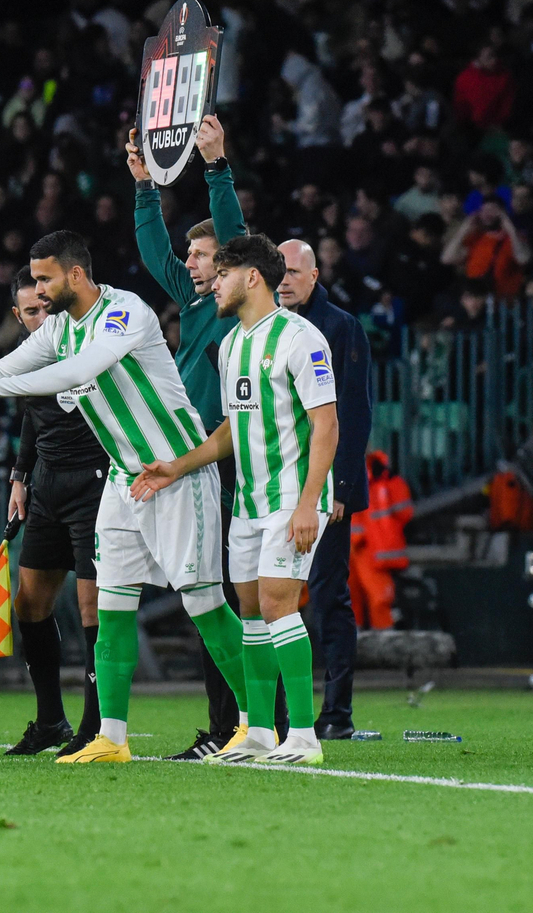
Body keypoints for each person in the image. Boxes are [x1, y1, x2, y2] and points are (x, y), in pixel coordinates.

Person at [0, 230, 251, 764]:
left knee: (203, 602)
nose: (37, 292)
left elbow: (77, 371)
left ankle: (254, 725)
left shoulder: (124, 312)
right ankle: (111, 736)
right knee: (110, 607)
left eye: (45, 279)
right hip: (123, 480)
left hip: (178, 473)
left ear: (76, 275)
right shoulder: (59, 328)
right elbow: (12, 365)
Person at [132, 235, 340, 765]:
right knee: (248, 609)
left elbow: (326, 424)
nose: (213, 282)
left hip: (292, 495)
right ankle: (261, 733)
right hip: (247, 500)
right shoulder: (229, 345)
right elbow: (232, 428)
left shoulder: (302, 338)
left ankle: (305, 737)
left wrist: (307, 503)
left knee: (275, 601)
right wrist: (176, 467)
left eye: (222, 272)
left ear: (252, 277)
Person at [127, 114, 252, 760]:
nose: (191, 264)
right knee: (213, 594)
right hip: (190, 460)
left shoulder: (235, 306)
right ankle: (240, 724)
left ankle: (243, 724)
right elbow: (155, 257)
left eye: (201, 256)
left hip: (224, 458)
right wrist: (145, 187)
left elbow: (233, 233)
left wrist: (216, 165)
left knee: (223, 596)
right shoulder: (197, 304)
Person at [0, 267, 106, 757]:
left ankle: (95, 726)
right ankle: (50, 721)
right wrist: (20, 477)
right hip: (47, 489)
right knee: (29, 604)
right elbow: (32, 417)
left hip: (95, 484)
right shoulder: (30, 359)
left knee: (94, 610)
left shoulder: (86, 342)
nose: (40, 318)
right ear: (17, 316)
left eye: (45, 307)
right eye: (31, 312)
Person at [276, 239, 373, 739]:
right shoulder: (265, 327)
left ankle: (336, 714)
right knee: (272, 596)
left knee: (328, 596)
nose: (285, 280)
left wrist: (342, 486)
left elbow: (353, 414)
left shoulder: (340, 327)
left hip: (322, 489)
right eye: (280, 271)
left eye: (295, 271)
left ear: (314, 276)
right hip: (275, 488)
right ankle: (273, 717)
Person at [348, 450, 413, 629]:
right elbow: (404, 513)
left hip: (364, 549)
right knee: (367, 600)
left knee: (368, 600)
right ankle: (375, 640)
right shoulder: (386, 482)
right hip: (366, 549)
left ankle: (365, 641)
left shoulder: (372, 481)